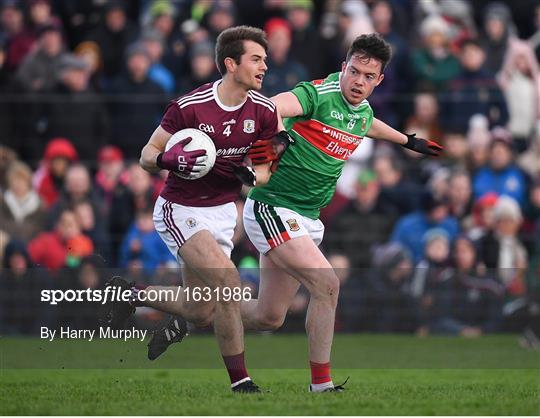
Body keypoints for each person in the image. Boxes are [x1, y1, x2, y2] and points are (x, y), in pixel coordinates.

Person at [119, 33, 442, 392]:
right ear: (343, 68)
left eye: (369, 77)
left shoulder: (361, 111)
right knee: (327, 284)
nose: (359, 82)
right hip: (274, 207)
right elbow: (272, 107)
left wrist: (407, 141)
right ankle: (320, 385)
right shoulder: (317, 94)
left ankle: (178, 309)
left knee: (267, 317)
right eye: (354, 72)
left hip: (307, 216)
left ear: (379, 80)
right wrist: (277, 141)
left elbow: (367, 125)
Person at [103, 26, 280, 393]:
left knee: (201, 311)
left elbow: (267, 157)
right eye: (257, 59)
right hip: (180, 208)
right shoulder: (189, 107)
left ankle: (130, 293)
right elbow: (146, 156)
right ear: (231, 64)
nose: (265, 66)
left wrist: (256, 175)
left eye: (265, 59)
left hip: (221, 211)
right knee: (230, 282)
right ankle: (241, 381)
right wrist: (170, 158)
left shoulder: (264, 111)